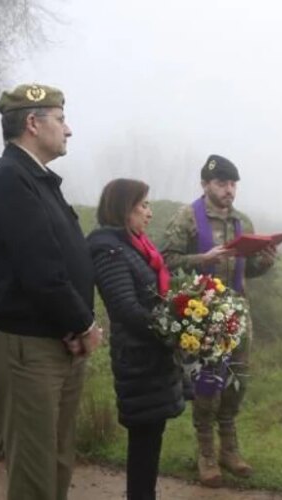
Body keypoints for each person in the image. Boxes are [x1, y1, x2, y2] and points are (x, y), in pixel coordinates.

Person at [0, 83, 104, 500]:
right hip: (26, 348)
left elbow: (60, 260)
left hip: (56, 341)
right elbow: (40, 268)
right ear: (33, 122)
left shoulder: (39, 180)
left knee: (58, 463)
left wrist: (73, 326)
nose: (69, 130)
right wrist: (82, 323)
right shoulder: (8, 179)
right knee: (34, 473)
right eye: (61, 119)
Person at [161, 154, 276, 487]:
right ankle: (206, 453)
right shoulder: (187, 219)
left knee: (237, 381)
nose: (229, 190)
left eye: (233, 184)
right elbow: (166, 262)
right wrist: (203, 258)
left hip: (239, 311)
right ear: (205, 185)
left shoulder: (242, 222)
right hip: (203, 314)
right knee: (208, 383)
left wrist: (265, 262)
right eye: (222, 183)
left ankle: (230, 448)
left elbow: (248, 268)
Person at [86, 179, 186, 500]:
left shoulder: (136, 247)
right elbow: (126, 309)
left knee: (151, 439)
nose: (150, 213)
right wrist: (174, 327)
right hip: (139, 361)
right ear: (123, 209)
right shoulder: (110, 250)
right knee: (144, 442)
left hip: (153, 357)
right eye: (143, 205)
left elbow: (152, 296)